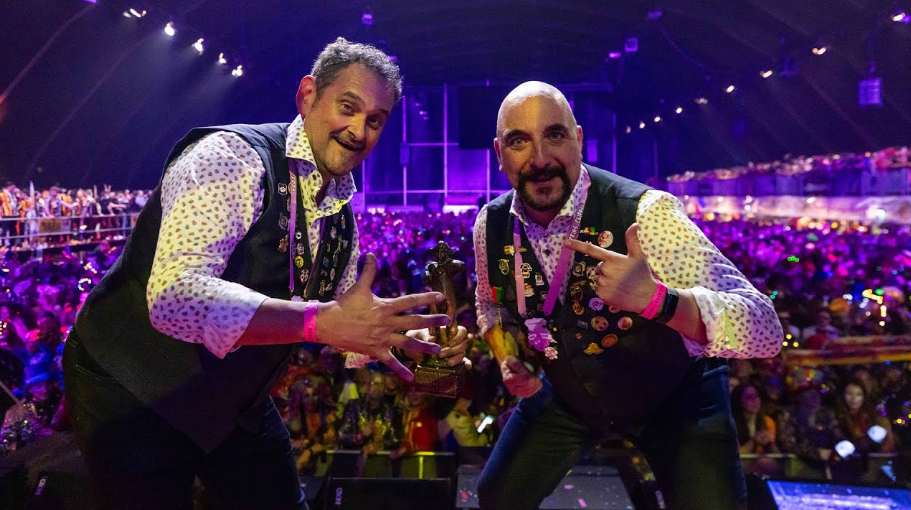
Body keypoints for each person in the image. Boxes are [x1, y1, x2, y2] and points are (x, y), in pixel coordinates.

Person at [63, 38, 467, 510]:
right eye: (348, 107)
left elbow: (346, 319)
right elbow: (175, 296)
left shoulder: (341, 214)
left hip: (234, 401)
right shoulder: (231, 157)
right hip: (131, 389)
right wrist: (315, 322)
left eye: (375, 120)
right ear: (308, 96)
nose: (359, 130)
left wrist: (412, 337)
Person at [473, 81, 782, 510]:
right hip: (570, 393)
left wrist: (658, 301)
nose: (540, 159)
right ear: (499, 153)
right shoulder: (490, 225)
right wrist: (508, 354)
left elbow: (765, 329)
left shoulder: (646, 212)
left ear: (579, 139)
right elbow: (491, 304)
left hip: (676, 398)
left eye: (555, 135)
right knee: (497, 495)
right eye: (519, 141)